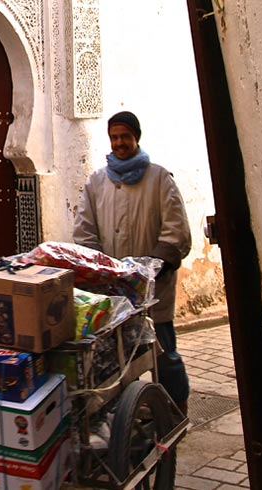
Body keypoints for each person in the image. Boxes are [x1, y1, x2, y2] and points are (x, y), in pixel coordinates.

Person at [73, 111, 192, 416]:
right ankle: (131, 412)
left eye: (125, 136)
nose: (120, 143)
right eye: (114, 137)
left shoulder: (160, 179)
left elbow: (176, 232)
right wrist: (103, 269)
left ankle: (177, 407)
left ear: (136, 137)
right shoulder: (97, 182)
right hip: (114, 291)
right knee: (120, 355)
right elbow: (84, 231)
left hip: (153, 288)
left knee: (164, 352)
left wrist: (150, 267)